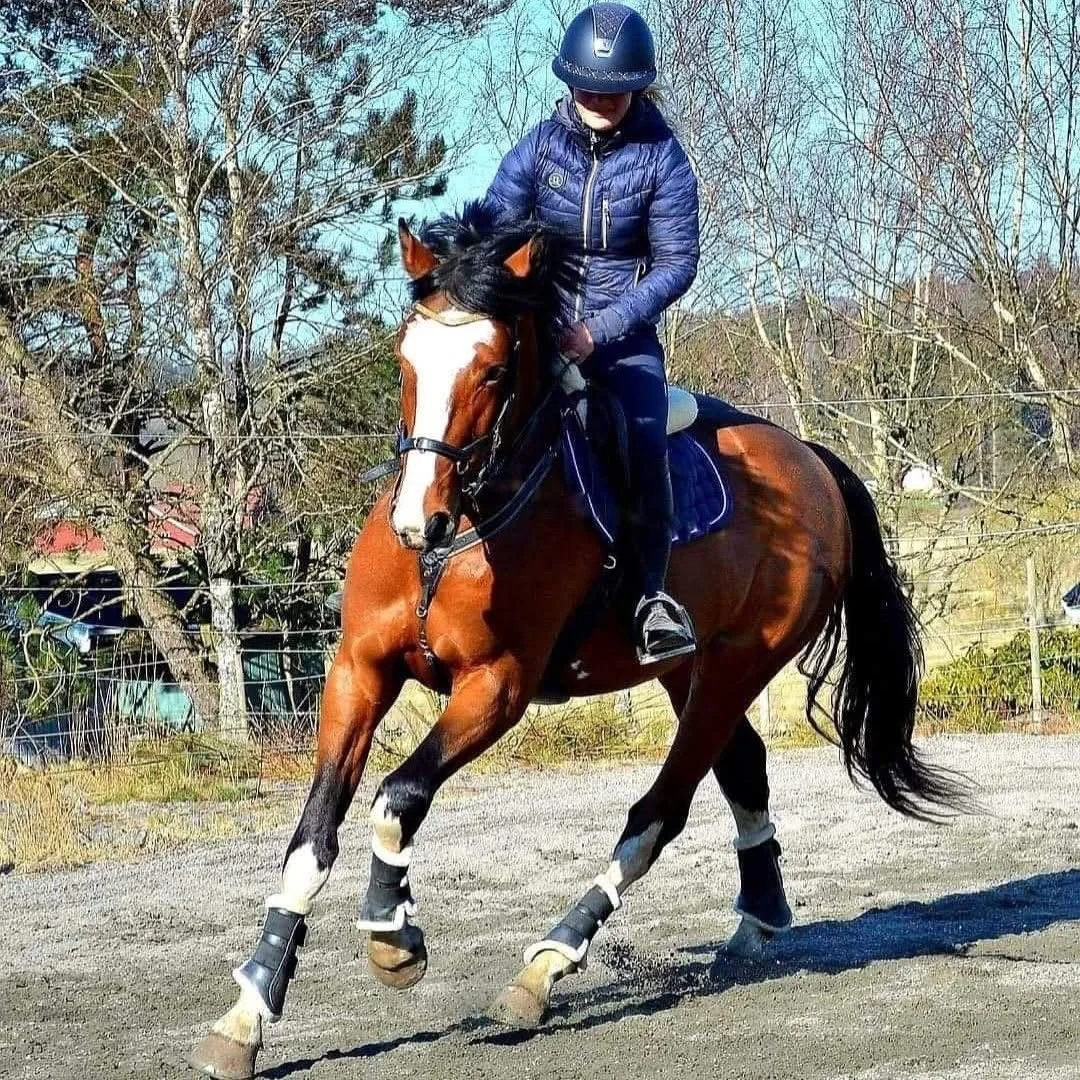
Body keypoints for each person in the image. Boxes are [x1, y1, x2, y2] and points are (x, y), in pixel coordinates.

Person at [480, 2, 700, 665]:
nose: (598, 98)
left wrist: (598, 330)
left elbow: (675, 265)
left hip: (619, 337)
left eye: (612, 88)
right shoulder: (540, 146)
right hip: (537, 327)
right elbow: (493, 222)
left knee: (638, 437)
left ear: (638, 86)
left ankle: (651, 599)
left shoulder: (664, 159)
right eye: (586, 86)